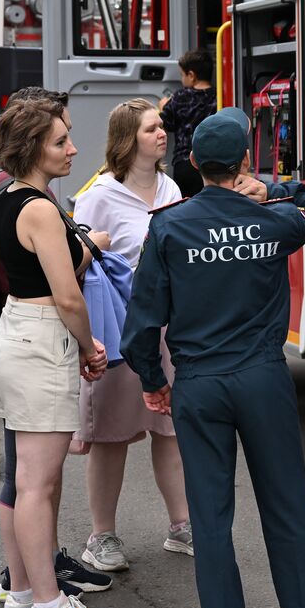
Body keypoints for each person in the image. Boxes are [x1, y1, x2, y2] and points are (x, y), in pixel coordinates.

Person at [122, 107, 305, 608]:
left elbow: (142, 323)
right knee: (286, 497)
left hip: (200, 381)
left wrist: (152, 379)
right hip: (263, 376)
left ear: (191, 162)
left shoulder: (167, 226)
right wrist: (275, 187)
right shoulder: (275, 219)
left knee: (210, 509)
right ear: (243, 160)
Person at [0, 97, 114, 608]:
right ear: (34, 147)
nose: (73, 149)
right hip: (40, 342)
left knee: (21, 482)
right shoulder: (38, 207)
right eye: (61, 141)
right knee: (37, 485)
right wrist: (89, 347)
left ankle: (20, 593)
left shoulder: (7, 198)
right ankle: (49, 606)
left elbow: (37, 273)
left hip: (15, 333)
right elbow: (67, 297)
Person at [72, 99, 192, 572]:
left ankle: (181, 526)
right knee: (111, 436)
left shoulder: (171, 186)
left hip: (170, 328)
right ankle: (101, 536)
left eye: (161, 126)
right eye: (150, 129)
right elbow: (81, 264)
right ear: (128, 139)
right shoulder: (98, 195)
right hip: (120, 329)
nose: (161, 134)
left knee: (171, 431)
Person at [160, 50, 216, 198]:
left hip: (184, 163)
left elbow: (166, 124)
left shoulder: (180, 97)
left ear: (191, 76)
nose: (181, 79)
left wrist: (163, 107)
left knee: (185, 203)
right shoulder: (218, 96)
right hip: (211, 163)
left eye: (181, 74)